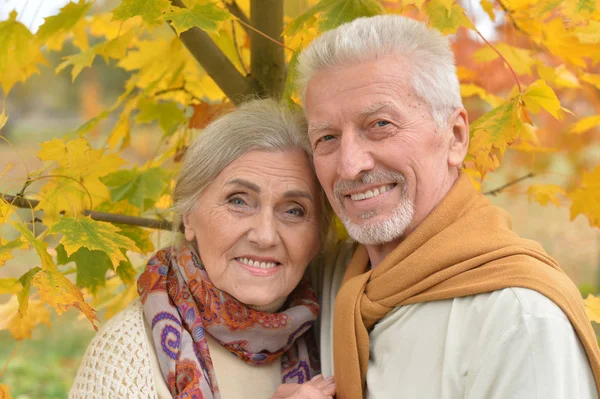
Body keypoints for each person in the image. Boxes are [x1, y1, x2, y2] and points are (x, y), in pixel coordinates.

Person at [296, 15, 600, 399]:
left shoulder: (517, 320)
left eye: (380, 124)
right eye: (327, 137)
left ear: (455, 137)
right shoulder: (330, 282)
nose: (350, 165)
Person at [69, 99, 336, 399]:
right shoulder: (126, 354)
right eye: (238, 201)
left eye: (294, 210)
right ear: (189, 216)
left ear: (319, 235)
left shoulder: (334, 333)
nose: (265, 236)